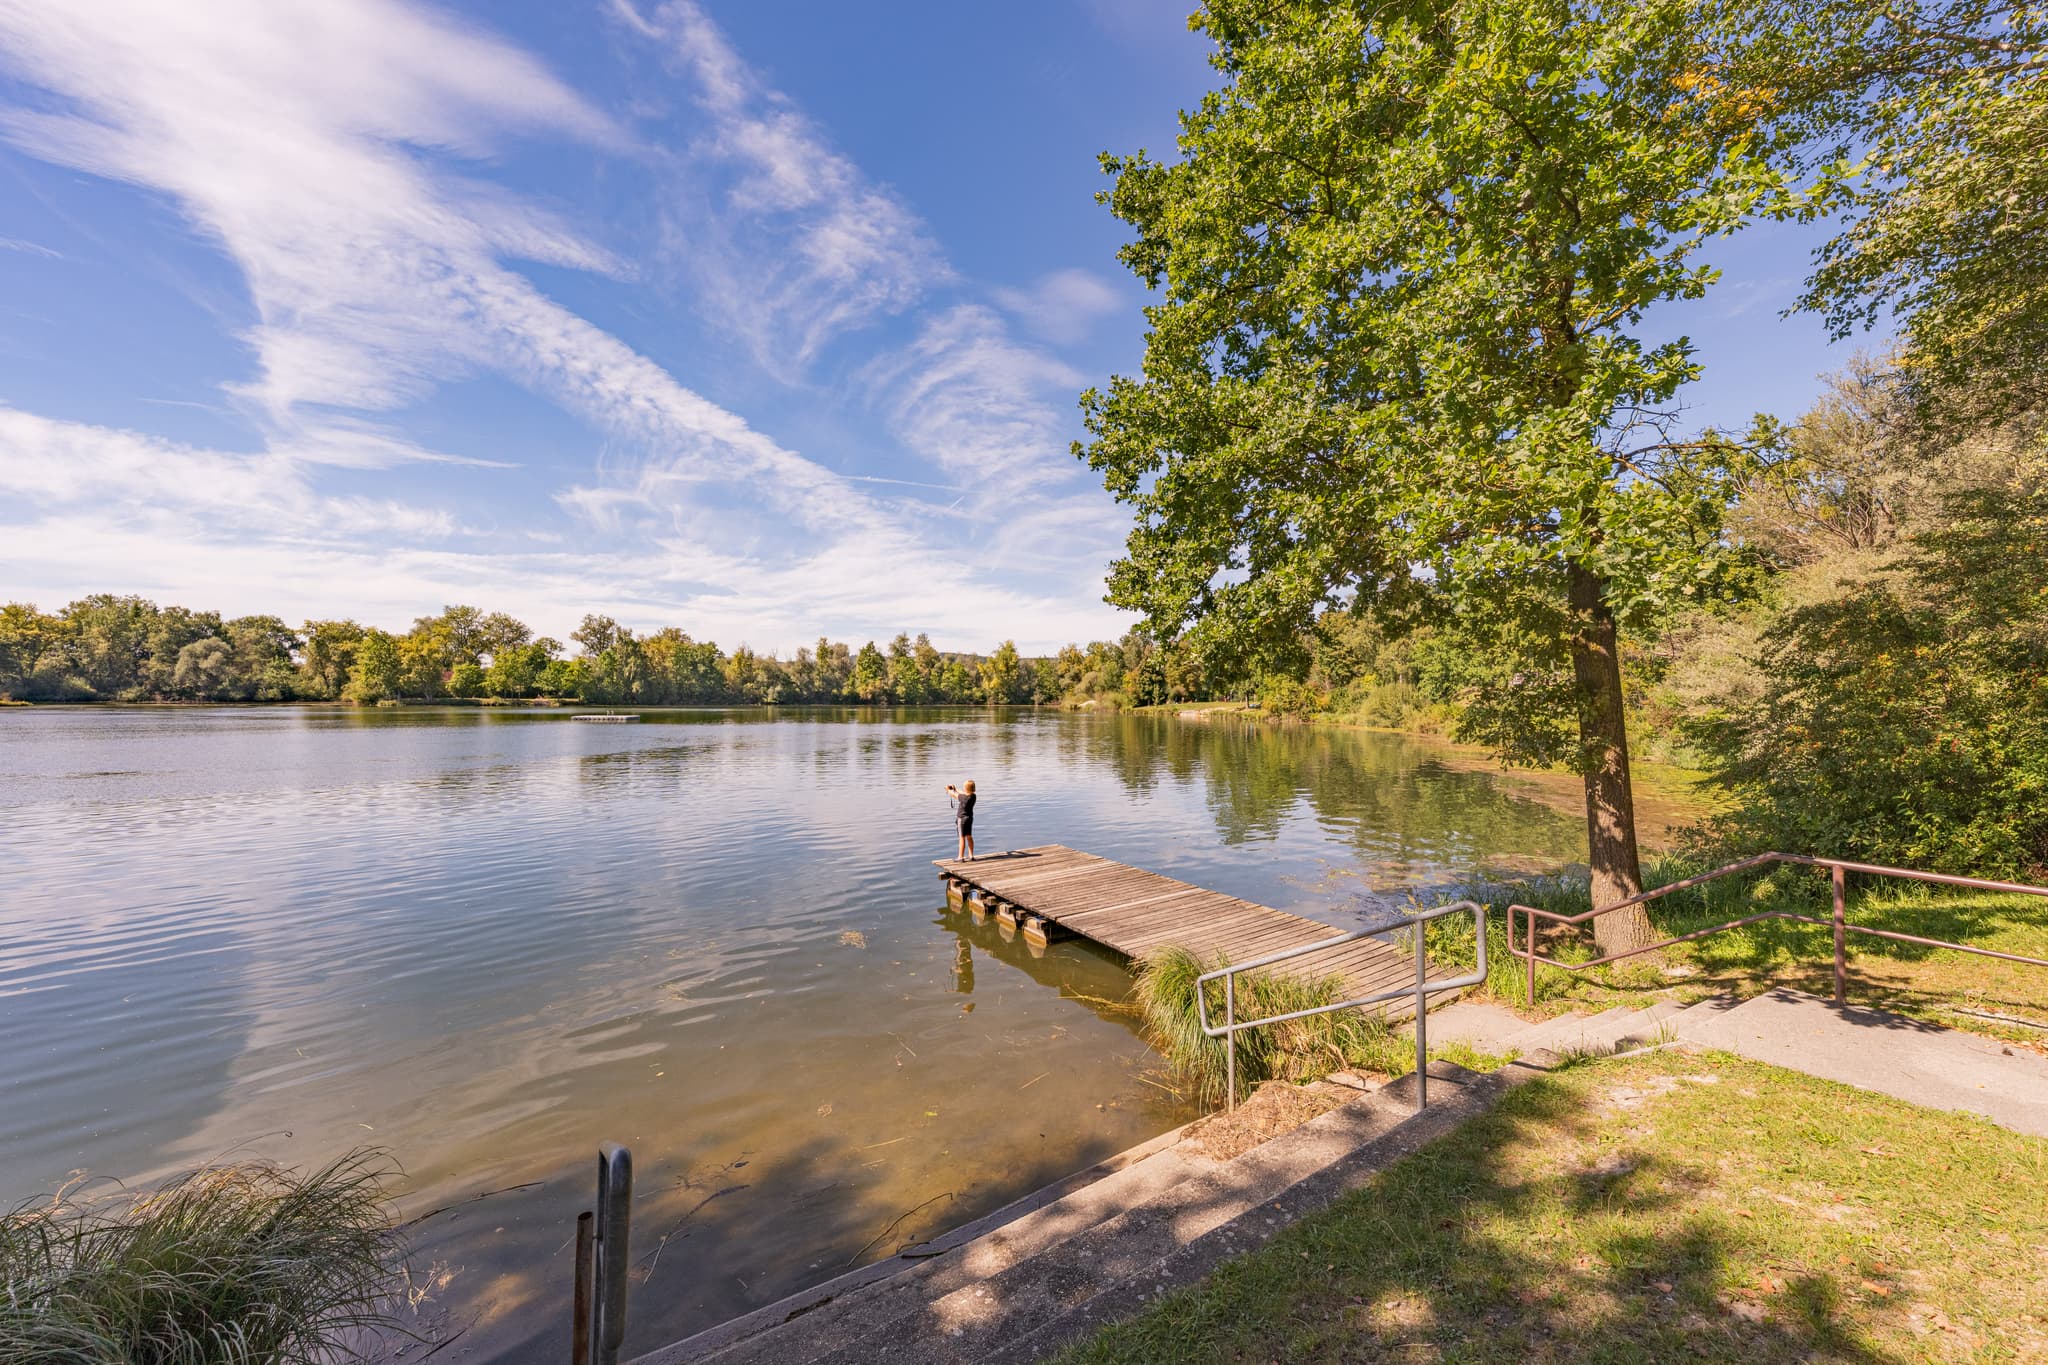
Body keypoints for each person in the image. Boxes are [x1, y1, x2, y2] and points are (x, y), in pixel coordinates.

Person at [946, 779, 977, 861]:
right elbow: (963, 793)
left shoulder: (963, 798)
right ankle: (971, 855)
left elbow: (953, 795)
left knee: (961, 837)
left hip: (962, 819)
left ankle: (960, 857)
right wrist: (955, 789)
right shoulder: (973, 796)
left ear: (966, 789)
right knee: (969, 836)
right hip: (969, 819)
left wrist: (948, 790)